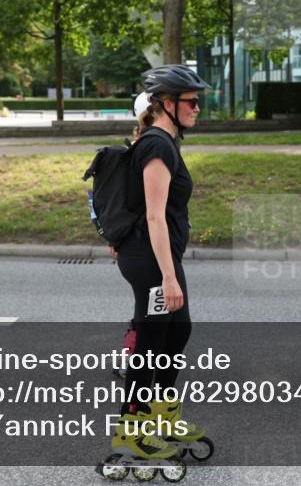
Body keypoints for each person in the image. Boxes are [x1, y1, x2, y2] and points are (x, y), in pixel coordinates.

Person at [110, 65, 212, 462]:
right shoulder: (157, 146)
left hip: (160, 256)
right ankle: (130, 431)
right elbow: (154, 215)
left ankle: (162, 415)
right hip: (152, 261)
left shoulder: (163, 142)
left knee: (177, 332)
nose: (198, 107)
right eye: (191, 101)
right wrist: (168, 277)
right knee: (152, 346)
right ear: (167, 104)